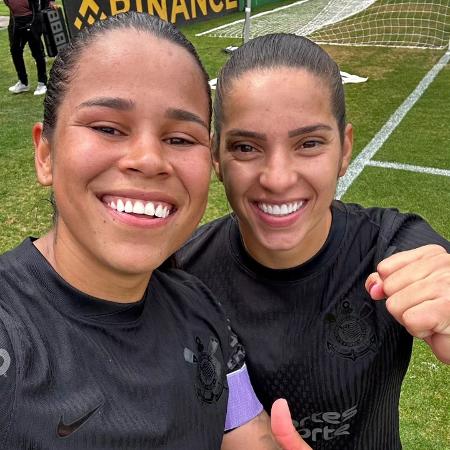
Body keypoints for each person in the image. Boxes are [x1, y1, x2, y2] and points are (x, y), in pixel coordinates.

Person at [0, 14, 311, 449]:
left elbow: (248, 433)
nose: (148, 160)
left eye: (181, 139)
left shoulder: (198, 305)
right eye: (108, 128)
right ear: (46, 153)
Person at [177, 33, 450, 449]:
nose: (278, 178)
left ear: (345, 149)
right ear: (216, 158)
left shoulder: (393, 248)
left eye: (309, 144)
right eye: (247, 147)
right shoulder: (182, 277)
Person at [5, 0, 56, 95]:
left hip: (32, 19)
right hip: (16, 20)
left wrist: (51, 1)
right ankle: (23, 82)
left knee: (37, 51)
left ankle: (42, 83)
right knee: (15, 51)